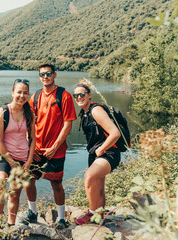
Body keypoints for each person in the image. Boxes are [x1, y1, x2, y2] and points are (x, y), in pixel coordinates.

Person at [22, 63, 77, 229]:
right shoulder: (36, 96)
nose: (45, 77)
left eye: (48, 73)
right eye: (42, 74)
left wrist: (54, 147)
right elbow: (29, 122)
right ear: (39, 77)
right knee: (29, 179)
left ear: (55, 75)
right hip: (37, 149)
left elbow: (67, 125)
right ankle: (32, 212)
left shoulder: (63, 95)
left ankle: (61, 218)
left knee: (57, 184)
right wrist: (30, 145)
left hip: (56, 150)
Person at [73, 80, 121, 225]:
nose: (79, 98)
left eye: (82, 94)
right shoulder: (85, 112)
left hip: (108, 152)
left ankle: (91, 214)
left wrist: (102, 148)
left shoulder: (95, 110)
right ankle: (100, 213)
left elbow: (115, 133)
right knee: (99, 187)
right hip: (96, 154)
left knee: (89, 177)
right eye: (76, 96)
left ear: (89, 95)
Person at [0, 79, 36, 227]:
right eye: (19, 92)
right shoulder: (3, 112)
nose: (22, 96)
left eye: (25, 93)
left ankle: (11, 226)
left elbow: (33, 139)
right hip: (3, 156)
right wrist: (11, 162)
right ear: (12, 93)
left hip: (22, 157)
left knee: (15, 194)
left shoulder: (29, 114)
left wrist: (28, 162)